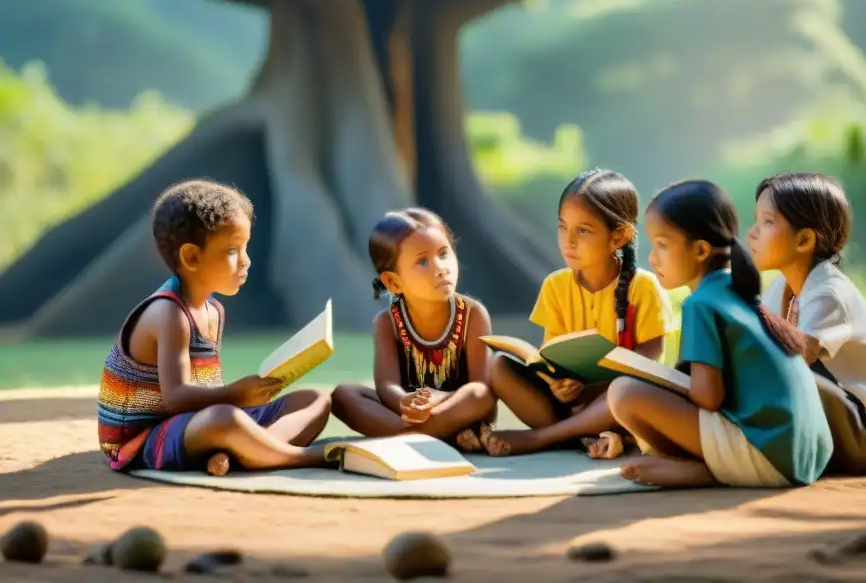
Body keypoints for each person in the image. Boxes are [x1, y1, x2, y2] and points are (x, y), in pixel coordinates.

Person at [607, 179, 833, 489]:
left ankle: (702, 469)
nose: (652, 258)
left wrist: (665, 384)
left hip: (767, 457)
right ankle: (707, 463)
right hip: (807, 455)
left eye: (662, 244)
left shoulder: (701, 304)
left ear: (700, 250)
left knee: (624, 393)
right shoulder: (737, 292)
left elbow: (708, 397)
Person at [98, 179, 332, 476]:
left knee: (315, 399)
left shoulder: (213, 312)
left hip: (193, 426)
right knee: (225, 419)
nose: (246, 261)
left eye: (245, 247)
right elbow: (176, 399)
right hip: (143, 440)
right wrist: (236, 394)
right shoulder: (169, 314)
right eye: (233, 250)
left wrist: (249, 394)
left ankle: (241, 453)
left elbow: (202, 391)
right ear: (192, 257)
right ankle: (296, 457)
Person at [481, 169, 673, 458]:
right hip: (571, 402)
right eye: (562, 227)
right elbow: (554, 354)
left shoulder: (643, 286)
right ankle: (579, 435)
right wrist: (559, 385)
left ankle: (545, 438)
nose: (568, 241)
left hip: (617, 399)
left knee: (627, 388)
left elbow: (651, 357)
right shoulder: (555, 286)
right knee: (498, 367)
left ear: (619, 235)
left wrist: (597, 384)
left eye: (583, 230)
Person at [747, 171, 866, 475]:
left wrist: (748, 305)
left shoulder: (829, 291)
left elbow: (799, 354)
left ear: (804, 239)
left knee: (786, 377)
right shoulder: (782, 288)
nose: (752, 232)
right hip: (838, 428)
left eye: (767, 222)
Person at [330, 208, 497, 451]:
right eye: (422, 261)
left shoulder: (473, 314)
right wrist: (403, 401)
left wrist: (440, 399)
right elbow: (386, 385)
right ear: (393, 282)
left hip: (455, 408)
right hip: (408, 413)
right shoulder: (387, 323)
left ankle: (408, 437)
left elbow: (482, 387)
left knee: (479, 395)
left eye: (443, 253)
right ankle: (432, 435)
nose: (440, 267)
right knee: (343, 395)